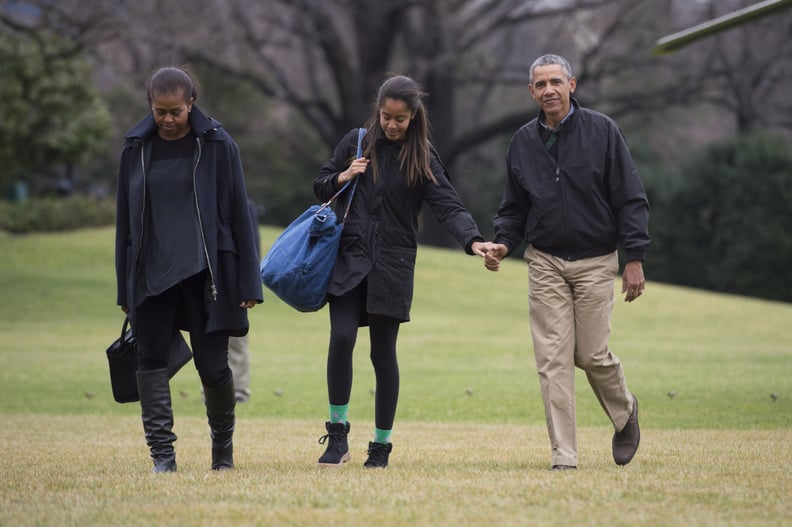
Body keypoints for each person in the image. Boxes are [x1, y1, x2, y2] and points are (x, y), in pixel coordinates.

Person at [313, 74, 489, 468]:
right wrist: (343, 176)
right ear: (378, 111)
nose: (391, 125)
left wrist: (473, 240)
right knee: (341, 338)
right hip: (349, 257)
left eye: (400, 119)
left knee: (382, 353)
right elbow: (320, 185)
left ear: (413, 117)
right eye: (386, 117)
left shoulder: (422, 156)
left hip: (392, 265)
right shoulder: (355, 142)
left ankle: (380, 446)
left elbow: (448, 205)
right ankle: (337, 435)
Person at [485, 54, 649, 470]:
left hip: (596, 260)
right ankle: (564, 455)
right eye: (540, 85)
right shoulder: (522, 142)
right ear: (531, 92)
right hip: (545, 261)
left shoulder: (603, 131)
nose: (548, 91)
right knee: (553, 360)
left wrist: (635, 258)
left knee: (591, 355)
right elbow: (513, 206)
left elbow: (630, 197)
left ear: (572, 85)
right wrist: (505, 242)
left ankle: (624, 412)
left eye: (556, 82)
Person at [115, 66, 263, 473]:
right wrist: (124, 288)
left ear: (191, 103)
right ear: (151, 105)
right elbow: (124, 225)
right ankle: (163, 455)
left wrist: (248, 282)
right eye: (160, 111)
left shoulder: (217, 144)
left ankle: (222, 450)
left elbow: (239, 215)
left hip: (207, 275)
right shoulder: (134, 148)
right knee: (150, 361)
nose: (167, 119)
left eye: (175, 111)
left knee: (214, 367)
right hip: (151, 273)